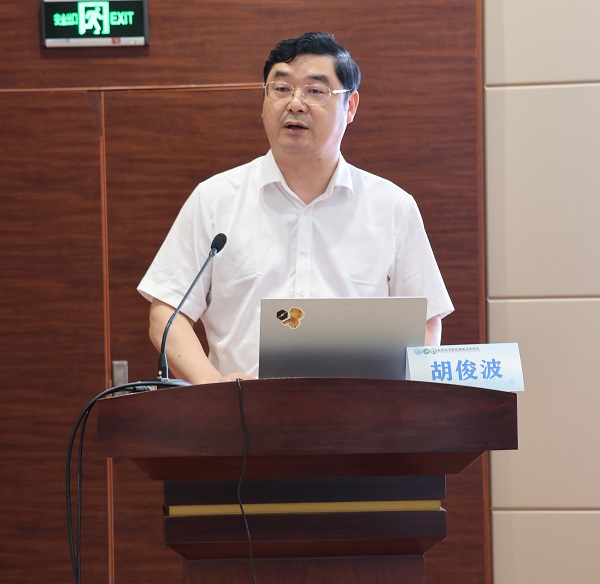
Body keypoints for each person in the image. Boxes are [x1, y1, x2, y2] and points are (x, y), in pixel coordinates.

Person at [138, 32, 454, 384]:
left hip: (359, 414)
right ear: (264, 101)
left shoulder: (392, 207)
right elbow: (167, 314)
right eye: (282, 89)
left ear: (350, 106)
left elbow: (425, 321)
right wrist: (214, 389)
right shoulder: (214, 199)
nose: (295, 103)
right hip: (242, 413)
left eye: (315, 91)